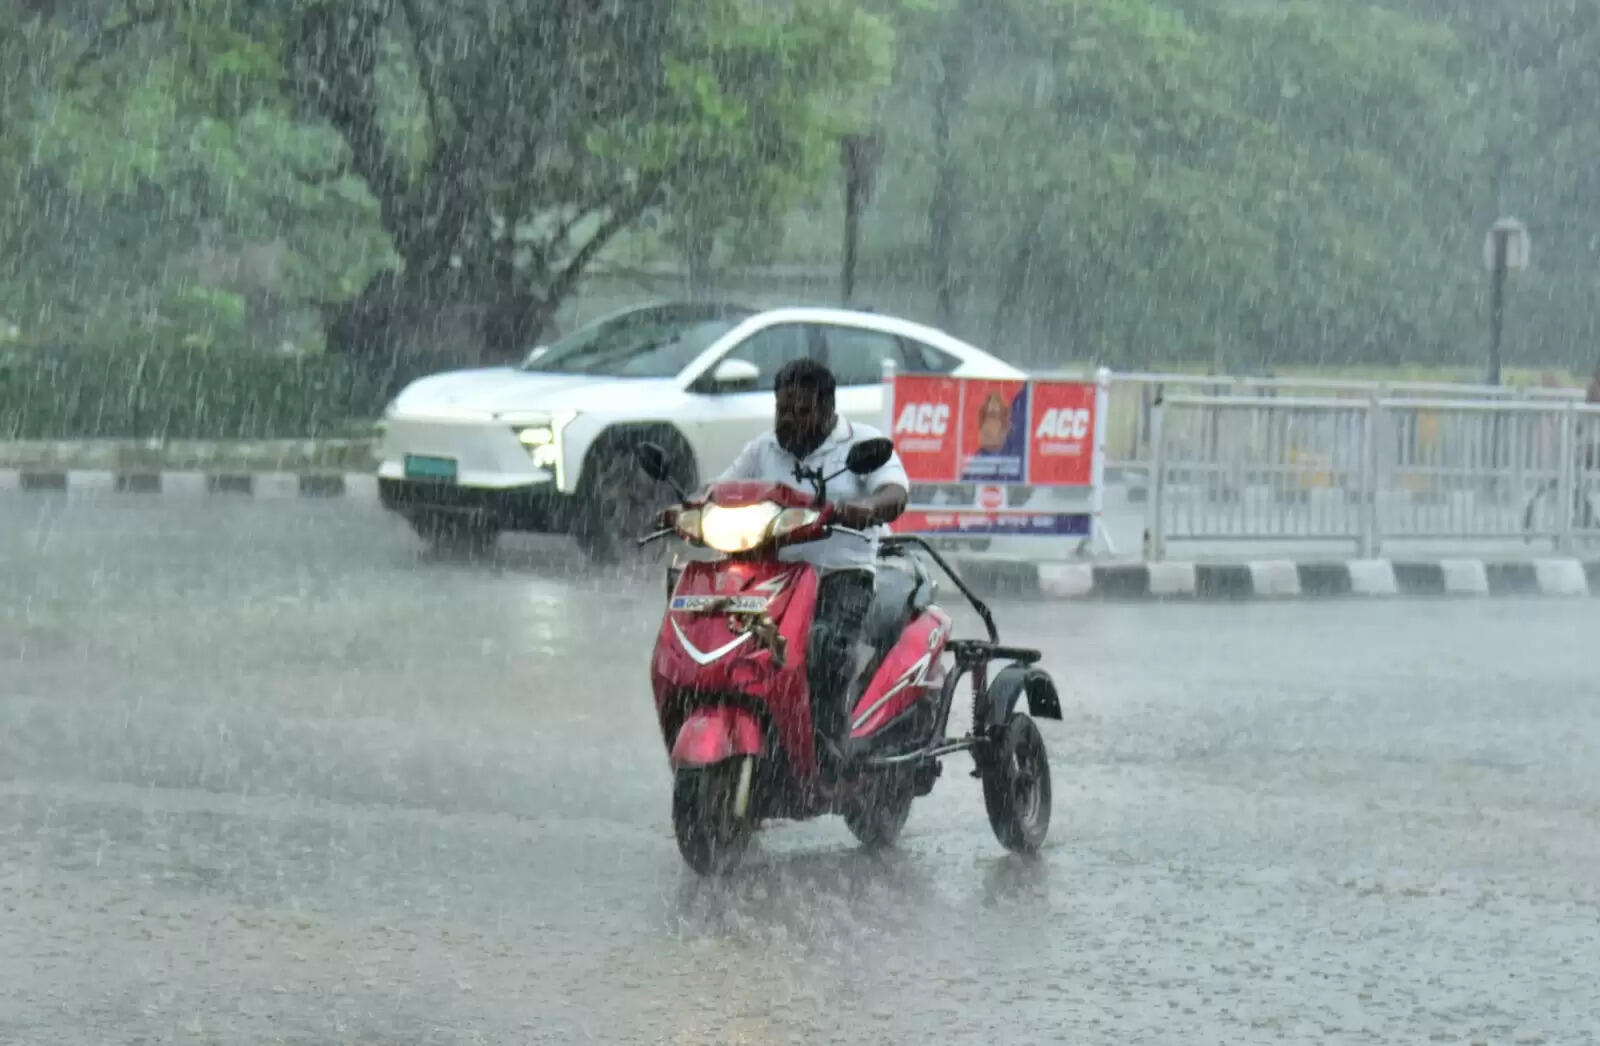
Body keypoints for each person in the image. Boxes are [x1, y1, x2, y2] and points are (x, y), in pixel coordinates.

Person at [713, 358, 910, 769]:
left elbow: (894, 492)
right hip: (774, 578)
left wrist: (866, 506)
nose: (789, 421)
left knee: (821, 647)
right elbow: (721, 489)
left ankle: (829, 742)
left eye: (802, 412)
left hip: (842, 576)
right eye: (783, 411)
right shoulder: (763, 449)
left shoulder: (861, 443)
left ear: (827, 409)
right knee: (724, 642)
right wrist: (686, 508)